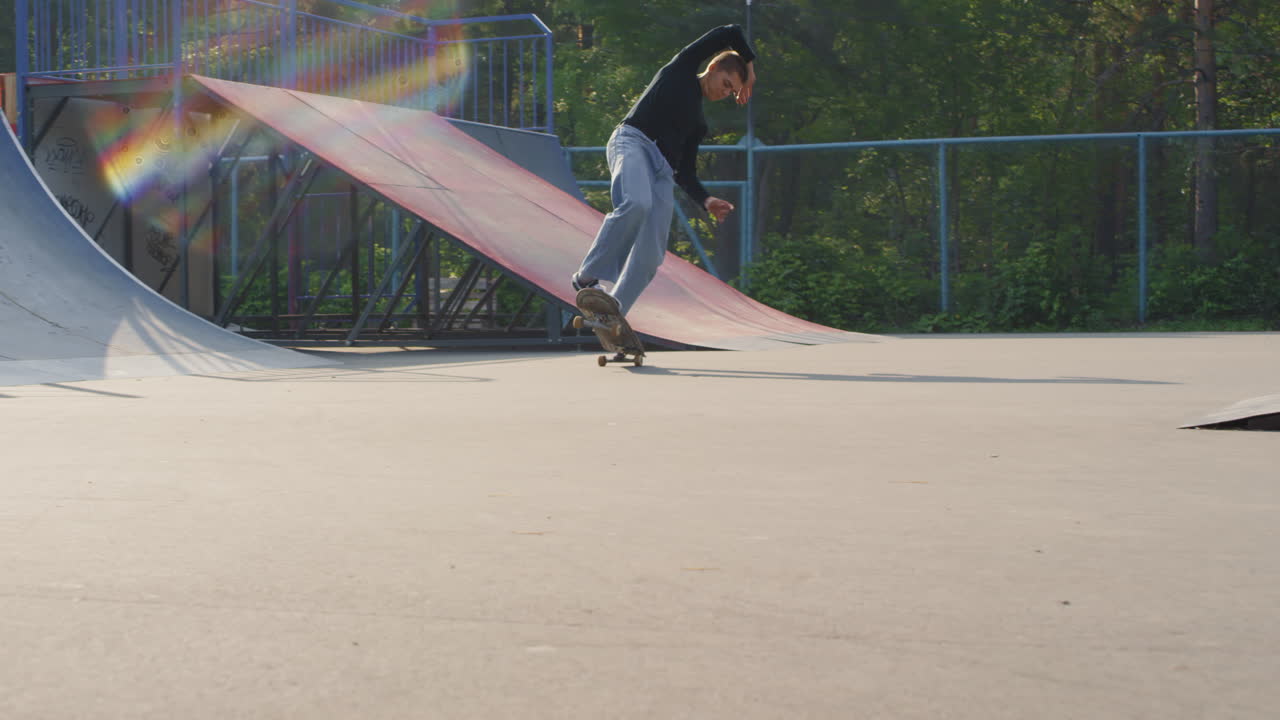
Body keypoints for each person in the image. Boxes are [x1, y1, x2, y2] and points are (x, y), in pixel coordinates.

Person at [572, 25, 757, 316]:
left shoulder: (699, 125)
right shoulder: (681, 69)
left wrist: (706, 200)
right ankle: (586, 278)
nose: (726, 93)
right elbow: (729, 32)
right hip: (632, 142)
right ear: (712, 68)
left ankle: (613, 312)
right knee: (636, 202)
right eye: (726, 84)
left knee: (651, 254)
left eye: (732, 91)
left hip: (663, 172)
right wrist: (749, 64)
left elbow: (685, 172)